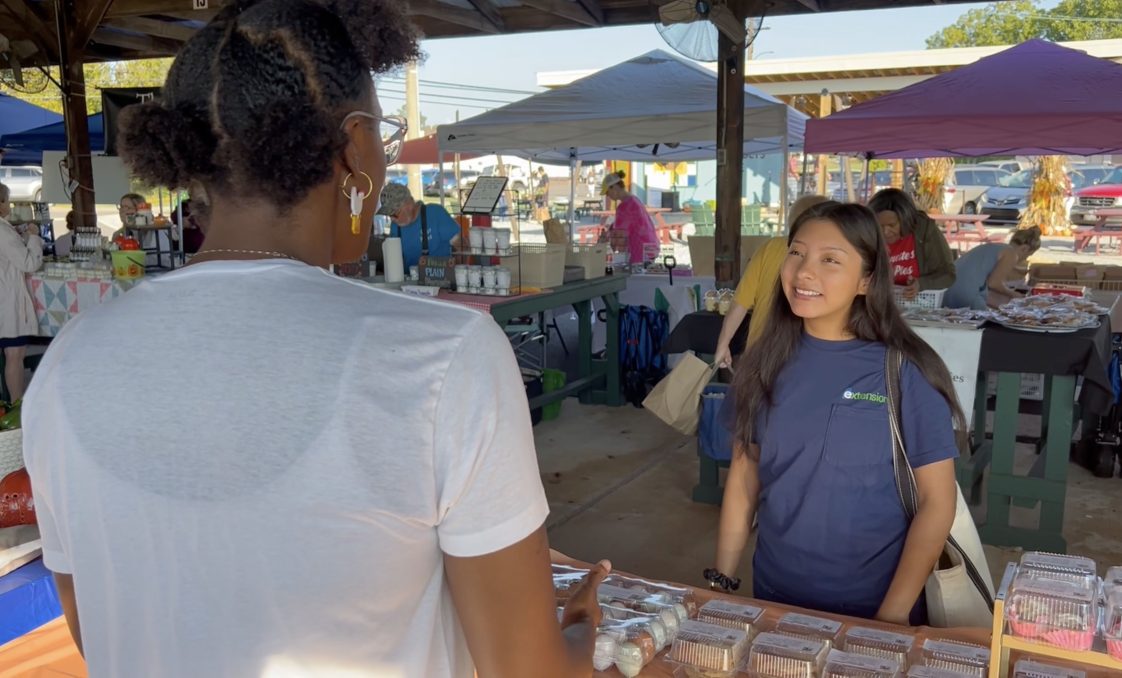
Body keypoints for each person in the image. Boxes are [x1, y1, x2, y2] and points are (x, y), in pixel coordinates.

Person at [22, 1, 609, 676]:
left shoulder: (68, 362)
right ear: (355, 146)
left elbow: (102, 631)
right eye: (383, 141)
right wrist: (580, 633)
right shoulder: (443, 357)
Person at [712, 201, 962, 626]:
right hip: (775, 594)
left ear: (866, 279)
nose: (804, 271)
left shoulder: (904, 371)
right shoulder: (763, 363)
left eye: (830, 260)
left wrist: (890, 617)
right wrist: (721, 582)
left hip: (873, 606)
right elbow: (744, 476)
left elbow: (937, 502)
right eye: (797, 252)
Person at [714, 194, 829, 369]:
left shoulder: (771, 247)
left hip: (760, 354)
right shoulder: (828, 260)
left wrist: (723, 344)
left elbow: (740, 303)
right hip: (805, 358)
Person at [868, 188, 955, 298]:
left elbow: (948, 274)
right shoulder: (867, 234)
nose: (885, 232)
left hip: (921, 304)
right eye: (880, 226)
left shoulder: (925, 230)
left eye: (892, 225)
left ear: (905, 220)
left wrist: (921, 284)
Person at [0, 182, 43, 402]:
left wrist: (17, 234)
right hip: (7, 298)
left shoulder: (5, 230)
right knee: (15, 354)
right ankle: (17, 406)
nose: (10, 204)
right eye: (7, 199)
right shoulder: (2, 231)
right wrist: (34, 237)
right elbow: (29, 264)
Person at [944, 227, 1041, 310]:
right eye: (1027, 256)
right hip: (965, 293)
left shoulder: (995, 247)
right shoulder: (1011, 254)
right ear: (1024, 248)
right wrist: (1013, 294)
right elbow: (994, 283)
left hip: (948, 289)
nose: (1024, 259)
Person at [377, 182, 460, 269]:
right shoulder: (395, 226)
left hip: (440, 280)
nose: (392, 219)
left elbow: (462, 247)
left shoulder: (435, 213)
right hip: (408, 280)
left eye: (394, 213)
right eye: (389, 215)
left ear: (409, 204)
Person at [602, 170, 659, 265]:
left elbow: (619, 235)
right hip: (650, 248)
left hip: (638, 253)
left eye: (608, 192)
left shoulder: (624, 207)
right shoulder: (635, 200)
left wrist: (605, 238)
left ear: (615, 188)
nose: (608, 196)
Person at [115, 192, 174, 268]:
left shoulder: (157, 229)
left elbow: (162, 258)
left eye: (127, 207)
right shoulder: (123, 232)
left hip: (161, 271)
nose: (122, 211)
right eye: (121, 207)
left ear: (140, 210)